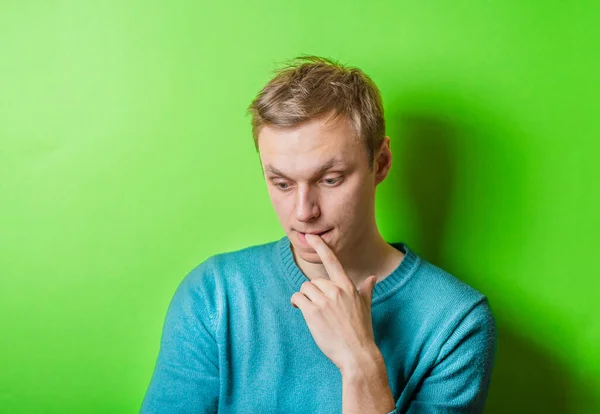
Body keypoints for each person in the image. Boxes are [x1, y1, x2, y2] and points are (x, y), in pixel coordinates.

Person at [140, 55, 497, 414]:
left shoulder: (457, 322)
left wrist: (361, 364)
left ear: (382, 162)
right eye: (281, 183)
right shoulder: (215, 295)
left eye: (330, 179)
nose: (303, 211)